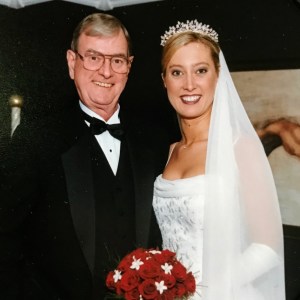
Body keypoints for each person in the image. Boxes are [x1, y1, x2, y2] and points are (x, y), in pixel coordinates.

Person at [0, 13, 169, 299]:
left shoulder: (156, 141)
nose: (106, 72)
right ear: (71, 62)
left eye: (117, 60)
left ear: (129, 67)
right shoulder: (36, 139)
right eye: (93, 57)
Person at [153, 20, 286, 299]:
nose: (189, 84)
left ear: (218, 75)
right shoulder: (168, 152)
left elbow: (268, 248)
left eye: (201, 70)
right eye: (177, 72)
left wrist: (200, 291)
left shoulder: (241, 148)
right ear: (164, 79)